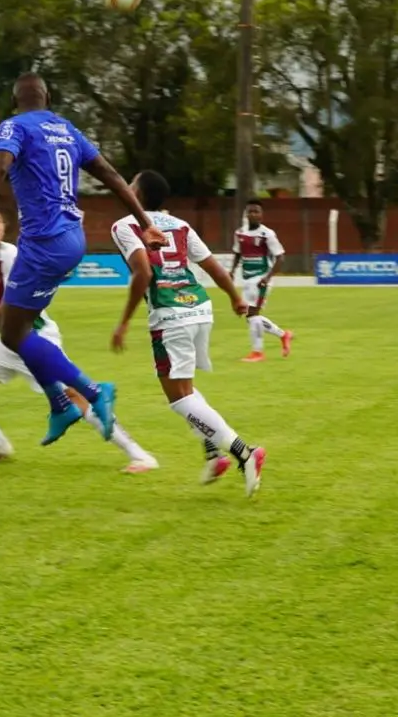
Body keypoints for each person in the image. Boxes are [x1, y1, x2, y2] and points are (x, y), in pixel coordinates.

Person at [0, 73, 167, 446]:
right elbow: (110, 174)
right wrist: (146, 223)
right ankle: (59, 403)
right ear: (47, 97)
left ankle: (92, 392)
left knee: (12, 332)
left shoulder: (14, 127)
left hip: (44, 242)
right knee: (20, 329)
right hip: (72, 239)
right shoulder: (67, 129)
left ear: (16, 102)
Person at [0, 205, 159, 473]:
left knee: (78, 399)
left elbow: (12, 304)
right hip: (9, 342)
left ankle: (140, 455)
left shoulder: (10, 255)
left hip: (35, 338)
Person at [111, 171, 267, 496]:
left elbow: (142, 272)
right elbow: (213, 267)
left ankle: (243, 452)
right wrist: (235, 298)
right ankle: (213, 455)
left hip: (170, 314)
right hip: (199, 307)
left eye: (131, 183)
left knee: (179, 398)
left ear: (136, 192)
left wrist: (124, 322)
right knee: (185, 390)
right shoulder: (180, 225)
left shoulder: (125, 225)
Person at [230, 199, 293, 363]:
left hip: (261, 279)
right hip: (247, 278)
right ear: (246, 214)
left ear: (261, 215)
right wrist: (232, 270)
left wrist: (268, 277)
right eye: (250, 211)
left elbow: (280, 257)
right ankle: (283, 335)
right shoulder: (240, 233)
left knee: (252, 314)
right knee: (251, 316)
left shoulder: (267, 234)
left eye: (256, 211)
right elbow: (238, 253)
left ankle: (257, 352)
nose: (253, 214)